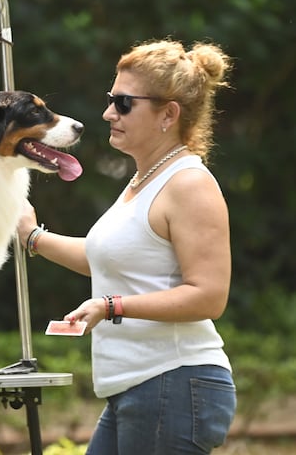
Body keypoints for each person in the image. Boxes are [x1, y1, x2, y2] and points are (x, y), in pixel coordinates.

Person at [18, 39, 237, 454]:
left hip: (173, 383)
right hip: (139, 388)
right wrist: (33, 237)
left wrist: (112, 306)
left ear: (167, 114)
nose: (107, 113)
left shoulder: (189, 183)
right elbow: (108, 262)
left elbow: (208, 296)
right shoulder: (145, 180)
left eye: (123, 103)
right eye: (110, 99)